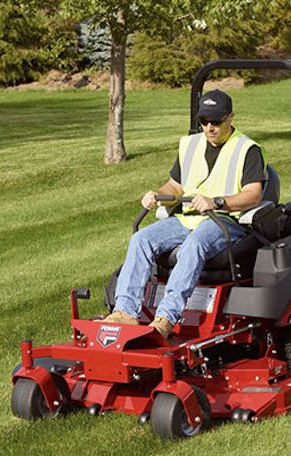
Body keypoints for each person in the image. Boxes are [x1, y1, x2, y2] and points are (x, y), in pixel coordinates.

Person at [104, 89, 266, 337]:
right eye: (204, 121)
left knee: (194, 244)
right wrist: (157, 195)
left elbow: (254, 194)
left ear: (230, 117)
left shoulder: (247, 149)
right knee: (141, 239)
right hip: (187, 218)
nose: (210, 127)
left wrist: (217, 202)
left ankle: (166, 318)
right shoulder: (189, 145)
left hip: (226, 220)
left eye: (216, 121)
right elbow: (176, 186)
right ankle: (125, 312)